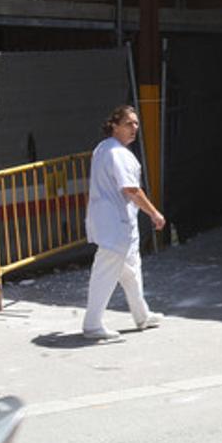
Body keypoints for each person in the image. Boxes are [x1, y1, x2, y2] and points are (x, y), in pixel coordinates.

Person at [81, 105, 166, 340]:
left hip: (114, 221)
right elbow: (131, 189)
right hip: (115, 224)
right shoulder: (118, 154)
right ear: (114, 126)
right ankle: (92, 324)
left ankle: (142, 315)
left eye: (136, 123)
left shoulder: (103, 148)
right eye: (129, 123)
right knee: (105, 272)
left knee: (130, 271)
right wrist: (154, 213)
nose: (134, 128)